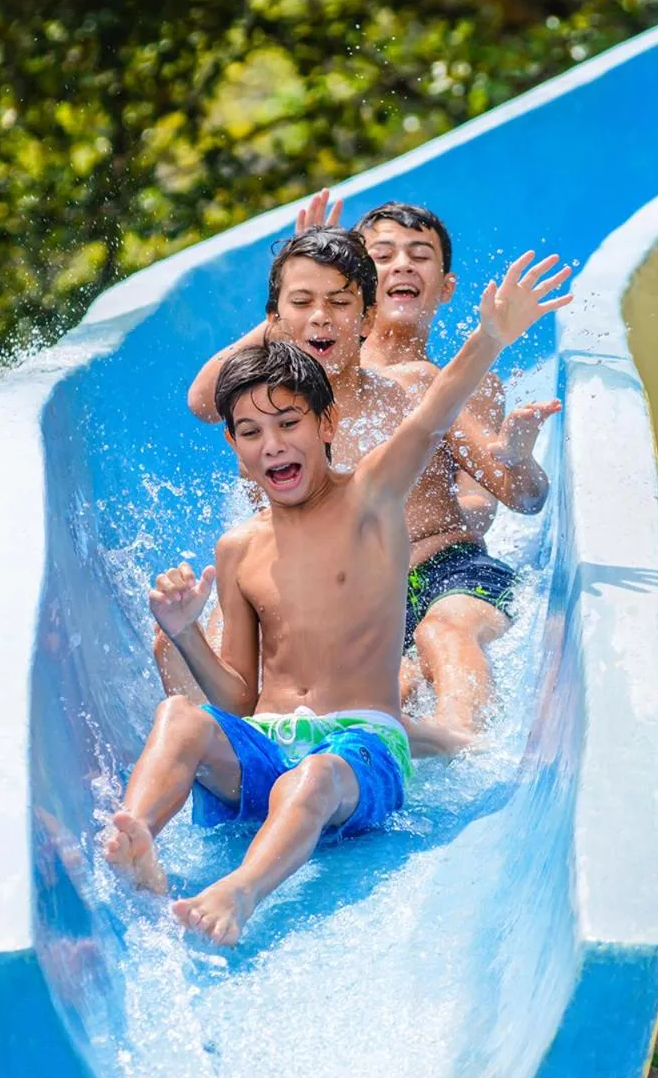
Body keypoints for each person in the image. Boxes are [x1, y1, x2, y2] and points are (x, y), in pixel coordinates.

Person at [104, 279, 548, 944]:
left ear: (327, 426)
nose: (273, 445)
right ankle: (137, 835)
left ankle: (240, 891)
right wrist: (184, 633)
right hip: (267, 743)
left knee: (311, 779)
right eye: (252, 433)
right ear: (234, 445)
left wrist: (490, 335)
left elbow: (431, 414)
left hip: (357, 747)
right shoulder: (239, 549)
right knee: (179, 715)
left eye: (289, 425)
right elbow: (239, 692)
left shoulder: (369, 497)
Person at [185, 223, 570, 734]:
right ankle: (223, 748)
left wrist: (516, 457)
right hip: (341, 599)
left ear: (367, 317)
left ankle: (465, 743)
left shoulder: (409, 387)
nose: (321, 318)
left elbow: (524, 497)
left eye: (338, 303)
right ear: (276, 320)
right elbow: (203, 401)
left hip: (442, 571)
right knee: (382, 677)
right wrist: (293, 286)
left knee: (443, 632)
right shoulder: (269, 431)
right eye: (302, 304)